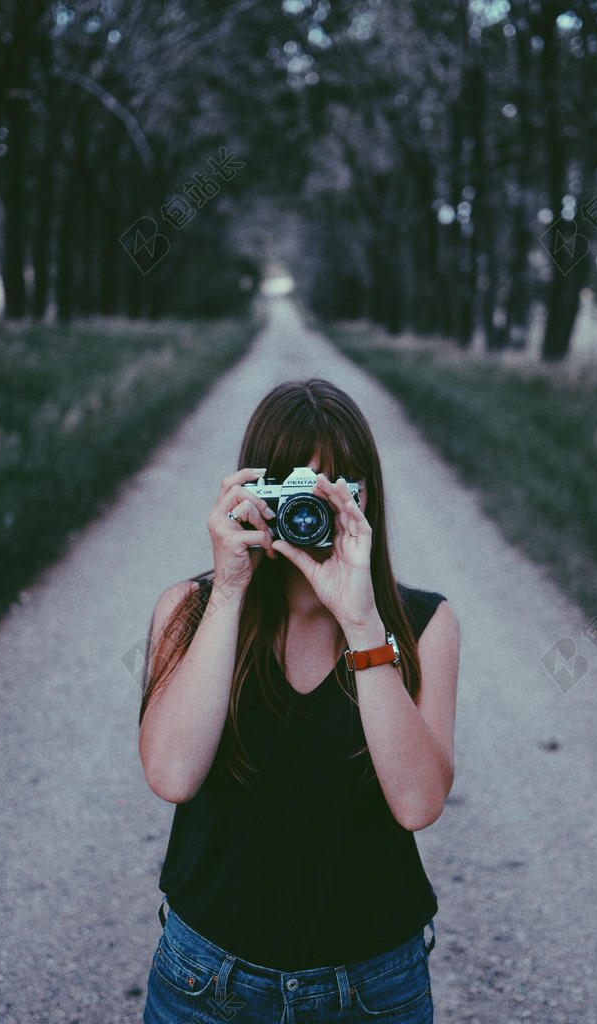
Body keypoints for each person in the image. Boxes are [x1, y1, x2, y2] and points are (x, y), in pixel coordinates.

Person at [138, 378, 460, 1024]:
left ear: (367, 502)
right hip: (207, 981)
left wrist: (363, 621)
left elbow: (418, 802)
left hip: (373, 990)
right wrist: (228, 591)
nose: (310, 515)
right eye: (292, 493)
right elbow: (172, 773)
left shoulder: (426, 625)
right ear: (253, 495)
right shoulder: (191, 610)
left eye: (334, 493)